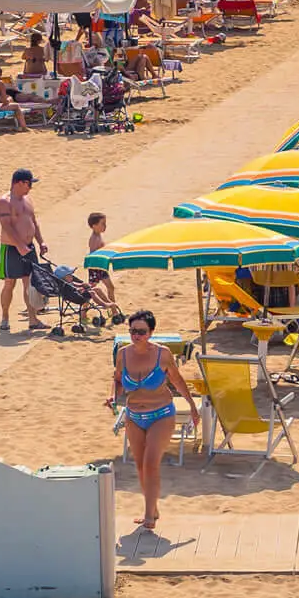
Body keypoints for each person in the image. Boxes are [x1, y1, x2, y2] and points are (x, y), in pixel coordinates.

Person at [106, 310, 197, 532]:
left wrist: (193, 406)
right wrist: (112, 396)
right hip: (134, 415)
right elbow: (117, 380)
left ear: (151, 332)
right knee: (139, 465)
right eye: (132, 331)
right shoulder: (123, 354)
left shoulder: (162, 355)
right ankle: (153, 508)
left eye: (141, 331)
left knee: (150, 463)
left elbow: (177, 380)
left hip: (161, 414)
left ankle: (149, 515)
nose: (136, 335)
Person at [0, 169, 47, 333]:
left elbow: (34, 222)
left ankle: (33, 319)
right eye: (29, 183)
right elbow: (7, 226)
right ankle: (4, 317)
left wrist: (41, 241)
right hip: (11, 248)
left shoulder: (28, 200)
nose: (30, 188)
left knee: (30, 284)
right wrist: (19, 246)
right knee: (10, 283)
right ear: (19, 183)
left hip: (29, 247)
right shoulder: (4, 202)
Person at [84, 212, 120, 318]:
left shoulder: (98, 236)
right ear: (94, 226)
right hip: (95, 267)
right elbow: (95, 254)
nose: (105, 226)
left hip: (100, 267)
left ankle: (113, 311)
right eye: (102, 224)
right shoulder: (94, 239)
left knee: (110, 287)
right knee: (90, 290)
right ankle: (83, 312)